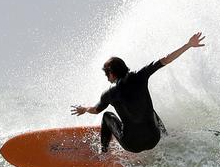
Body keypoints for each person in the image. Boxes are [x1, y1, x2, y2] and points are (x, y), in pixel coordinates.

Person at [71, 32, 206, 153]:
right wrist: (188, 45)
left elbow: (95, 110)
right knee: (150, 110)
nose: (107, 77)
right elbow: (166, 59)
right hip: (154, 139)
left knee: (107, 115)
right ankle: (167, 138)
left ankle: (104, 150)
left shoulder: (109, 93)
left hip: (132, 145)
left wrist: (84, 109)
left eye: (107, 74)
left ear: (111, 74)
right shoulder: (140, 76)